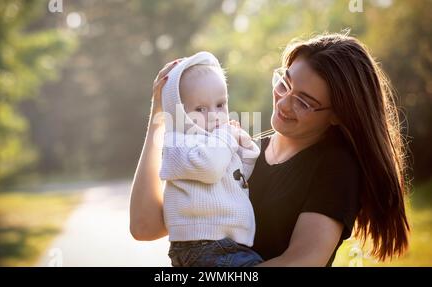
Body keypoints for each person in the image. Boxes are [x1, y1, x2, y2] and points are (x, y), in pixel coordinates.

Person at [129, 33, 410, 266]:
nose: (284, 103)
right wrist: (160, 119)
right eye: (285, 83)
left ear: (338, 114)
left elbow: (302, 260)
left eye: (304, 101)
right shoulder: (242, 151)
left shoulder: (335, 168)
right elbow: (145, 227)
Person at [158, 51, 262, 267]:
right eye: (200, 109)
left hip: (224, 245)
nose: (215, 115)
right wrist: (227, 136)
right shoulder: (177, 142)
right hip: (203, 246)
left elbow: (238, 179)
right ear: (179, 113)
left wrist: (245, 148)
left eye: (220, 105)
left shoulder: (215, 142)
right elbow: (211, 168)